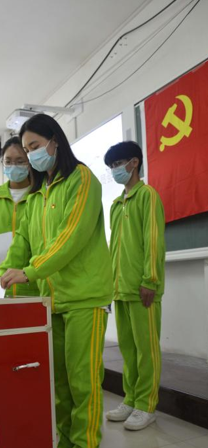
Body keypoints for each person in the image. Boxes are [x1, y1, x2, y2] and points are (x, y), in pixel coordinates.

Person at [0, 113, 112, 448]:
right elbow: (22, 242)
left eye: (35, 146)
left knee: (82, 378)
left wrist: (30, 272)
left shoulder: (82, 180)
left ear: (55, 141)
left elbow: (70, 239)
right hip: (52, 298)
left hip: (85, 296)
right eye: (27, 150)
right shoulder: (39, 195)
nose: (31, 156)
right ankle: (66, 441)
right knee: (58, 378)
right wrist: (3, 274)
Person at [104, 141, 165, 431]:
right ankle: (130, 399)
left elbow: (153, 239)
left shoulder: (147, 195)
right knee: (128, 351)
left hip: (143, 289)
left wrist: (150, 279)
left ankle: (146, 405)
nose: (115, 170)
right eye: (111, 167)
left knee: (146, 350)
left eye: (118, 164)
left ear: (134, 163)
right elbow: (114, 247)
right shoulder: (116, 204)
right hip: (120, 289)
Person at [0, 137, 40, 298]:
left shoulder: (38, 195)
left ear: (29, 161)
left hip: (31, 279)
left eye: (20, 161)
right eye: (8, 161)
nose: (14, 166)